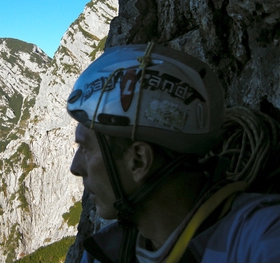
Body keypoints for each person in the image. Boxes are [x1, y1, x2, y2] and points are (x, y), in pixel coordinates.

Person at [67, 43, 280, 263]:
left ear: (139, 161)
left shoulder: (263, 237)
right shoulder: (103, 254)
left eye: (85, 148)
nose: (75, 167)